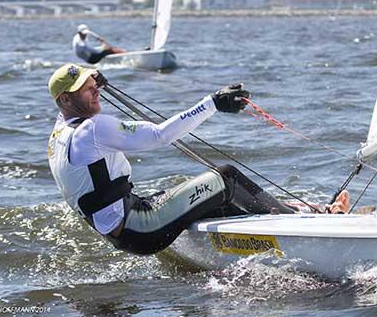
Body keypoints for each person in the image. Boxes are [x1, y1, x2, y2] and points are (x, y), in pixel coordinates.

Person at [47, 63, 350, 255]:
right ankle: (307, 223)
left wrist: (90, 79)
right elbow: (159, 136)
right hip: (139, 227)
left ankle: (273, 239)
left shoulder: (59, 134)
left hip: (122, 233)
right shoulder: (94, 128)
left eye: (91, 85)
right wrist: (212, 104)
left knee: (220, 200)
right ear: (64, 100)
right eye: (84, 90)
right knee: (226, 177)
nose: (93, 91)